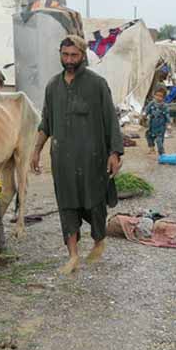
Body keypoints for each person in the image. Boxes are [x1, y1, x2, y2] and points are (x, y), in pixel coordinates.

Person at [31, 34, 124, 276]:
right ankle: (72, 256)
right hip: (62, 160)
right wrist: (36, 150)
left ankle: (98, 238)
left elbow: (111, 120)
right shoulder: (53, 86)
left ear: (83, 55)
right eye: (65, 55)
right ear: (60, 55)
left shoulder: (97, 84)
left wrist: (114, 152)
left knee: (94, 204)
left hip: (92, 158)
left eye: (74, 55)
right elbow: (46, 123)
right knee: (66, 206)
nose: (69, 60)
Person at [144, 87, 169, 156]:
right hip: (152, 125)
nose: (158, 97)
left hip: (160, 126)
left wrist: (169, 124)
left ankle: (161, 153)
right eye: (157, 95)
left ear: (164, 98)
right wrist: (144, 115)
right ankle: (152, 149)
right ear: (154, 95)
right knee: (149, 136)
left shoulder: (164, 106)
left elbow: (167, 115)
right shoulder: (152, 103)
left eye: (160, 96)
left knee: (159, 140)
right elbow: (147, 110)